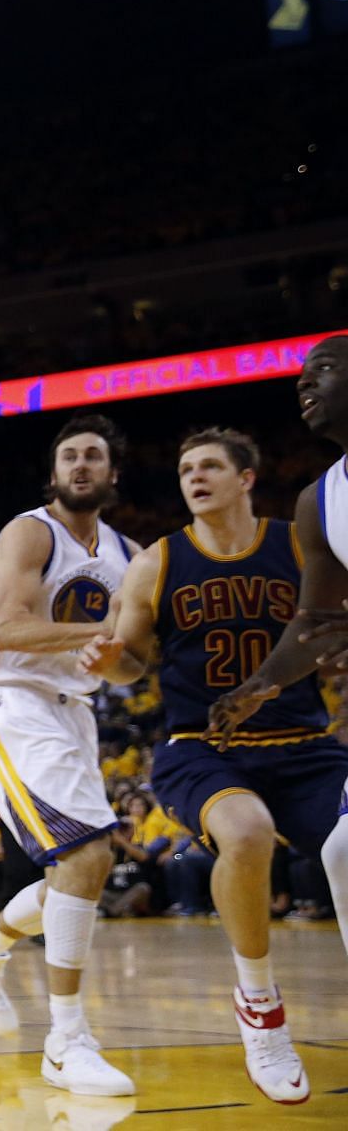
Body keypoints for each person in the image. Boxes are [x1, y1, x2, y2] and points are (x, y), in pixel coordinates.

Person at [81, 425, 343, 1104]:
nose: (193, 478)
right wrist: (114, 666)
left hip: (308, 746)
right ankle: (260, 1007)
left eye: (208, 467)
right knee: (248, 834)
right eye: (184, 469)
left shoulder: (299, 542)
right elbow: (131, 664)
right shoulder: (158, 563)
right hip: (201, 748)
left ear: (245, 478)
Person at [0, 415, 139, 1098]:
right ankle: (66, 1040)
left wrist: (116, 656)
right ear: (53, 473)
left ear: (113, 474)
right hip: (10, 698)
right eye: (70, 456)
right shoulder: (31, 531)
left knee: (78, 873)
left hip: (75, 711)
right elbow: (4, 627)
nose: (81, 464)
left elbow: (131, 668)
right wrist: (101, 629)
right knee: (87, 855)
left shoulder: (128, 552)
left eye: (94, 456)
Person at [211, 334, 348, 957]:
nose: (304, 383)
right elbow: (317, 623)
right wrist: (256, 686)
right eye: (300, 374)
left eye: (323, 368)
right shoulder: (321, 500)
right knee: (343, 849)